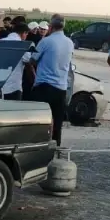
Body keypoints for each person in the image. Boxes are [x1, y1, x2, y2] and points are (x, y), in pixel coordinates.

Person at [32, 14, 75, 146]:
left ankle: (39, 148)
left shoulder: (46, 41)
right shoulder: (69, 43)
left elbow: (33, 59)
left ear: (51, 26)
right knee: (57, 123)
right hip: (61, 87)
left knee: (39, 122)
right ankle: (56, 148)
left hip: (44, 87)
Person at [0, 20, 30, 99]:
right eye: (26, 34)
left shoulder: (0, 42)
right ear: (24, 33)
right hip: (14, 88)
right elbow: (29, 61)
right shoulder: (22, 46)